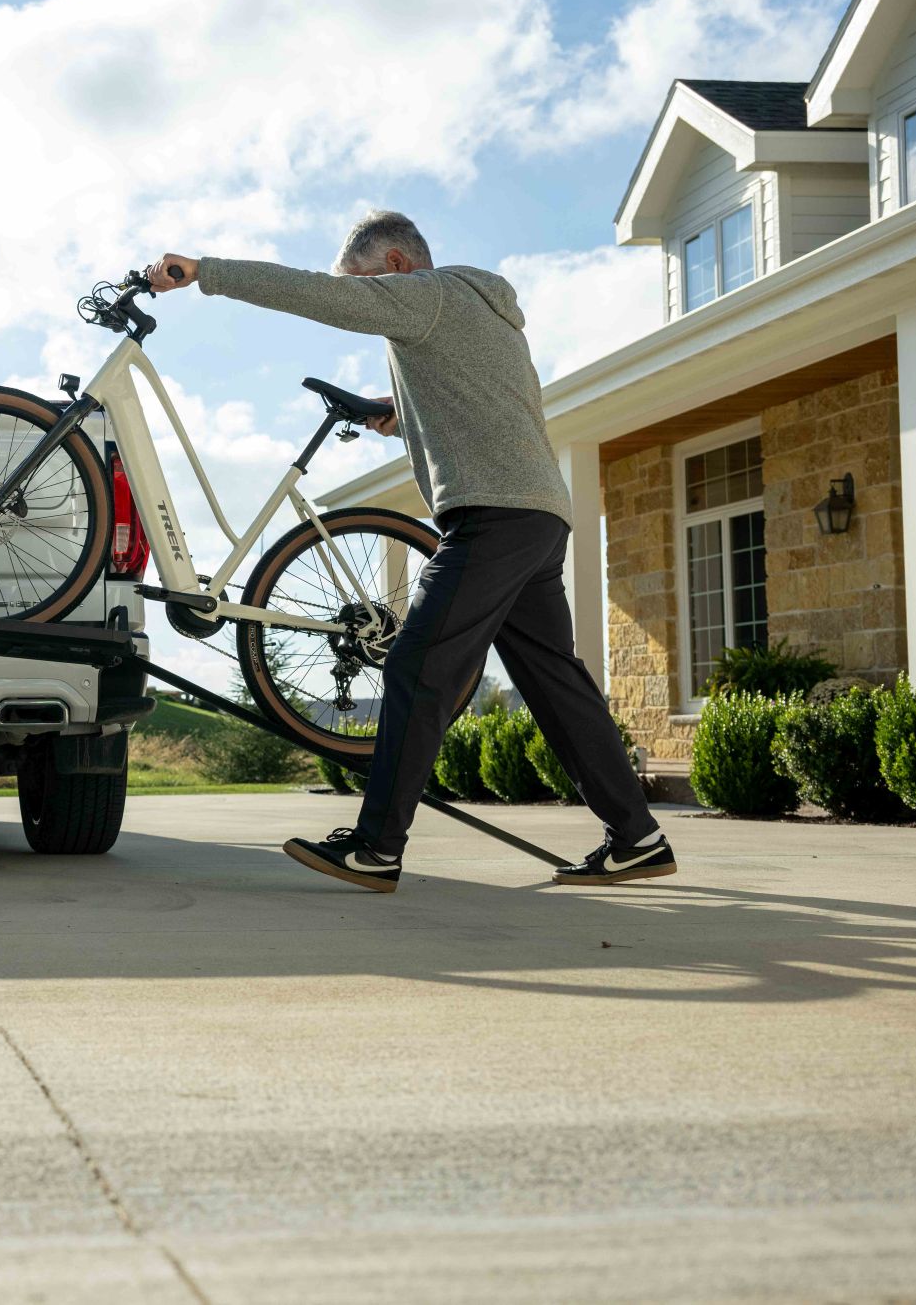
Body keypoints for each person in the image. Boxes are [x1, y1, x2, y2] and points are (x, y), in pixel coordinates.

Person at [147, 212, 673, 893]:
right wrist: (399, 417)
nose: (366, 299)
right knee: (555, 683)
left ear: (395, 264)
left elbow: (320, 296)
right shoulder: (481, 309)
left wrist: (206, 272)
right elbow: (480, 409)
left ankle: (376, 846)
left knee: (416, 667)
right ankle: (637, 838)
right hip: (538, 515)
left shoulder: (426, 293)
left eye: (367, 284)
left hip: (491, 517)